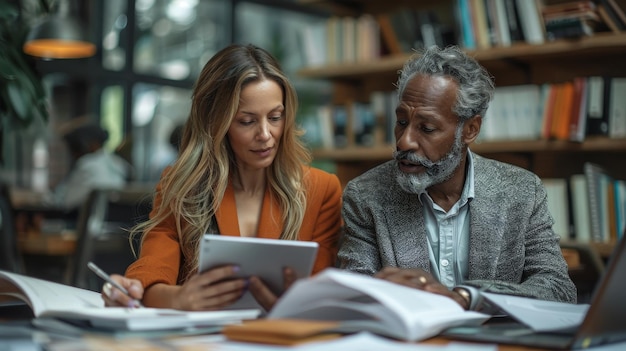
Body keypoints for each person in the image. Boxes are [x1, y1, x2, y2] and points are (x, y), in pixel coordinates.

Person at [101, 44, 342, 311]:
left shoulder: (321, 190)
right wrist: (173, 298)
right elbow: (154, 268)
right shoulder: (183, 185)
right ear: (217, 123)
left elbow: (322, 293)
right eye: (247, 121)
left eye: (275, 117)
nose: (265, 134)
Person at [337, 45, 577, 311]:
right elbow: (353, 293)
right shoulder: (365, 195)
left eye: (427, 128)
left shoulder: (522, 191)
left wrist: (468, 297)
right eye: (402, 122)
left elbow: (558, 288)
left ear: (470, 130)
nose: (404, 142)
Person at [51, 122, 131, 211]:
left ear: (92, 144)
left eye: (75, 148)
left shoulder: (87, 165)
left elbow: (65, 202)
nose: (74, 154)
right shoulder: (119, 163)